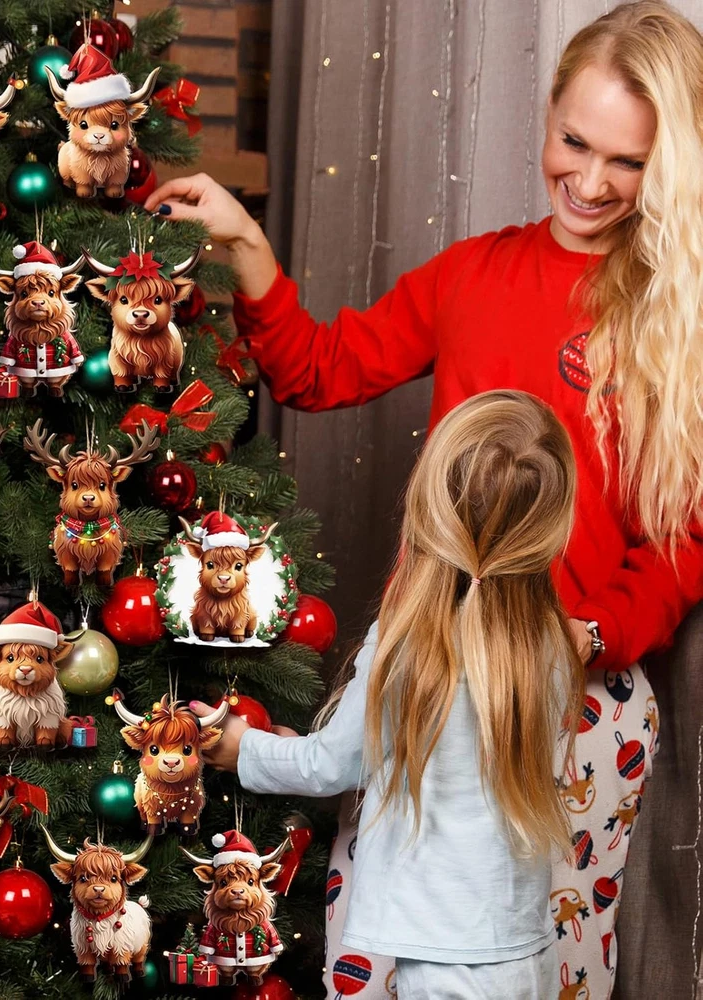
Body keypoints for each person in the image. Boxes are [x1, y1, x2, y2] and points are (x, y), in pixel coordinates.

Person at [148, 2, 703, 995]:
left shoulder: (677, 313)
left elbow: (684, 537)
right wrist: (244, 244)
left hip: (575, 697)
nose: (590, 182)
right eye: (575, 143)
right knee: (378, 947)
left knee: (552, 970)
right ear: (547, 114)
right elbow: (318, 369)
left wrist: (595, 633)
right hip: (429, 667)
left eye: (629, 161)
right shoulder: (475, 273)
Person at [196, 390, 585, 999]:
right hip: (522, 944)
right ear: (550, 527)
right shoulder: (554, 642)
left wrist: (243, 747)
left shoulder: (408, 643)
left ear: (428, 507)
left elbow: (333, 764)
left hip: (441, 957)